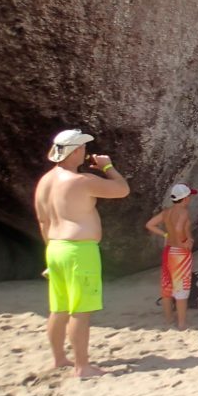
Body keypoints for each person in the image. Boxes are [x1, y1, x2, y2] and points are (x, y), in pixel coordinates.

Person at [34, 129, 130, 378]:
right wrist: (108, 167)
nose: (85, 151)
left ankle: (59, 359)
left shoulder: (45, 182)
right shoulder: (81, 180)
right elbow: (122, 190)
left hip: (55, 247)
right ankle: (82, 366)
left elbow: (43, 222)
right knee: (80, 310)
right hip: (79, 250)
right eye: (83, 148)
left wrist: (49, 254)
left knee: (59, 308)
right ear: (76, 151)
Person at [145, 183, 197, 330]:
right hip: (180, 253)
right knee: (181, 288)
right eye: (189, 196)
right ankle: (181, 324)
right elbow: (179, 228)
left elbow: (150, 224)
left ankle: (168, 321)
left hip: (168, 250)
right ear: (185, 198)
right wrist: (185, 241)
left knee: (167, 287)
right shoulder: (183, 212)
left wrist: (165, 235)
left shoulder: (167, 212)